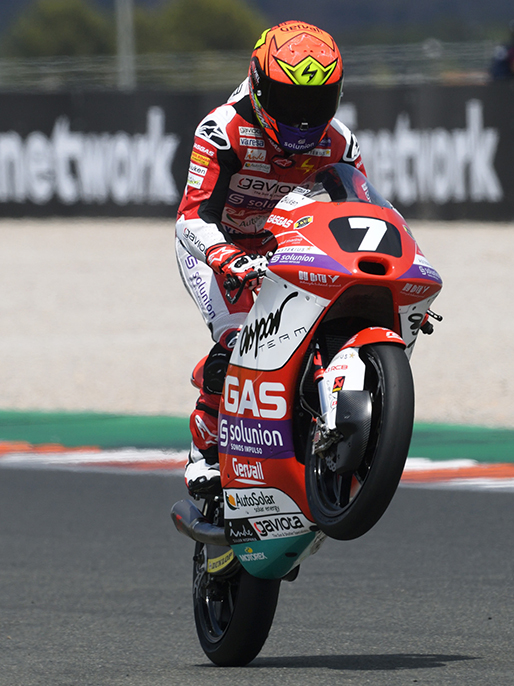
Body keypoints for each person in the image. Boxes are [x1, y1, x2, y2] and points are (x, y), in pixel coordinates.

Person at [174, 21, 366, 496]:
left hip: (283, 249)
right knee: (240, 337)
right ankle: (205, 449)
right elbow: (190, 218)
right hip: (217, 246)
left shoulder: (340, 143)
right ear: (259, 87)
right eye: (289, 100)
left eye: (315, 102)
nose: (303, 117)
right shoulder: (224, 130)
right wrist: (223, 254)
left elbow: (363, 214)